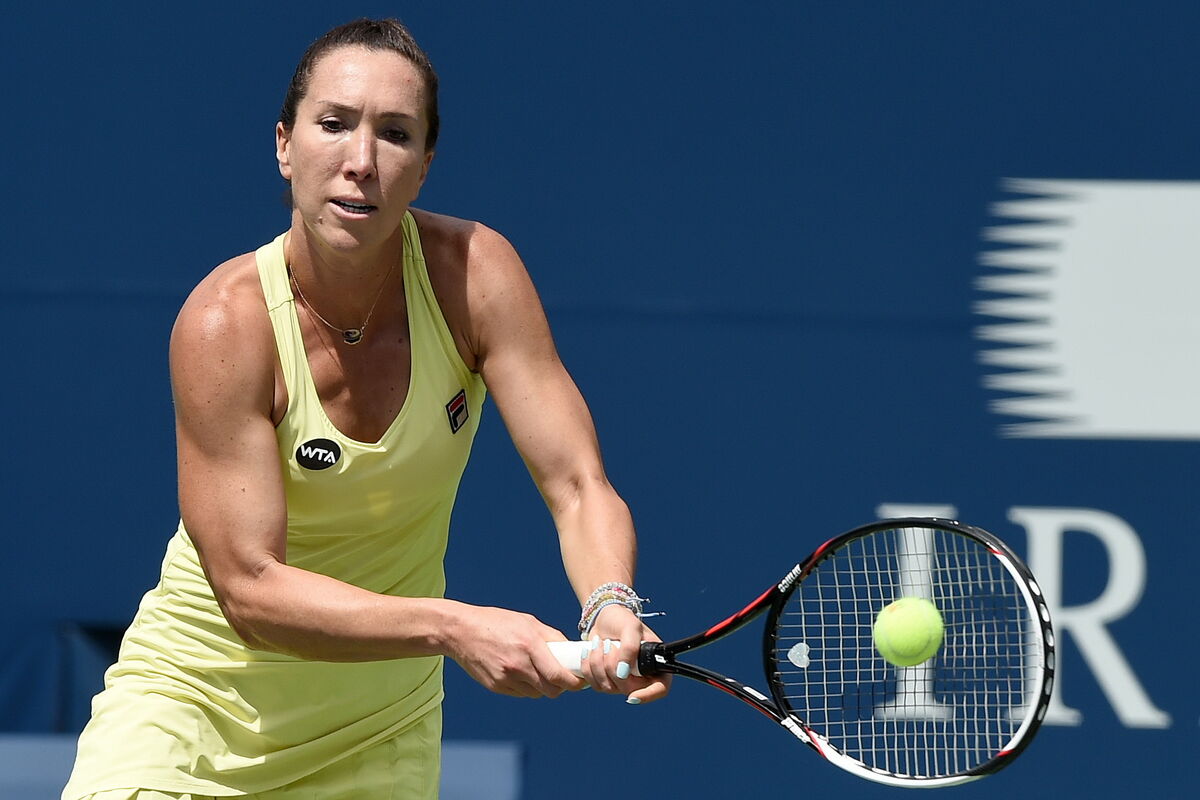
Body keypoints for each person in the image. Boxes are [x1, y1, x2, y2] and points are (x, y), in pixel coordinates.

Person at [62, 17, 667, 800]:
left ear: (424, 168)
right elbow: (250, 588)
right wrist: (453, 625)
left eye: (395, 134)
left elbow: (578, 484)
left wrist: (610, 602)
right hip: (193, 717)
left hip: (378, 734)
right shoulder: (224, 324)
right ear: (285, 146)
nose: (361, 161)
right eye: (334, 124)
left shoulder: (476, 277)